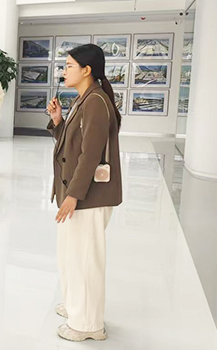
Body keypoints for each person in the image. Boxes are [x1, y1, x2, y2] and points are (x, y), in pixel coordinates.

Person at [46, 44, 122, 343]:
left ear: (87, 70)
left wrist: (73, 195)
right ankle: (76, 306)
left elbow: (90, 155)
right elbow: (73, 143)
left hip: (88, 196)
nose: (64, 71)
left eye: (69, 66)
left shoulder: (95, 102)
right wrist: (58, 121)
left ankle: (88, 324)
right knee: (71, 255)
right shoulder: (85, 99)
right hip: (77, 192)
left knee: (85, 259)